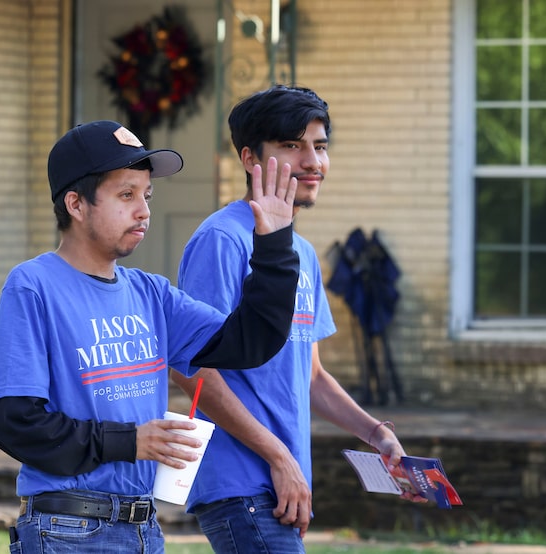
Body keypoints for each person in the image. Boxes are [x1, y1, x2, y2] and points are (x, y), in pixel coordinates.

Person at [0, 119, 301, 554]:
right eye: (126, 195)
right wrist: (131, 442)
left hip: (143, 529)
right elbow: (11, 421)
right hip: (67, 530)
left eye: (146, 195)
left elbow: (250, 342)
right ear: (76, 203)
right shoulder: (33, 286)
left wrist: (275, 245)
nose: (144, 211)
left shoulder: (151, 293)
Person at [170, 86, 423, 553]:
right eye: (292, 145)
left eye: (320, 146)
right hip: (241, 482)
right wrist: (279, 457)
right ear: (250, 158)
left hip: (280, 483)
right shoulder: (222, 240)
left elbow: (311, 374)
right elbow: (191, 368)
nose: (312, 161)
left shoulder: (300, 253)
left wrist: (376, 433)